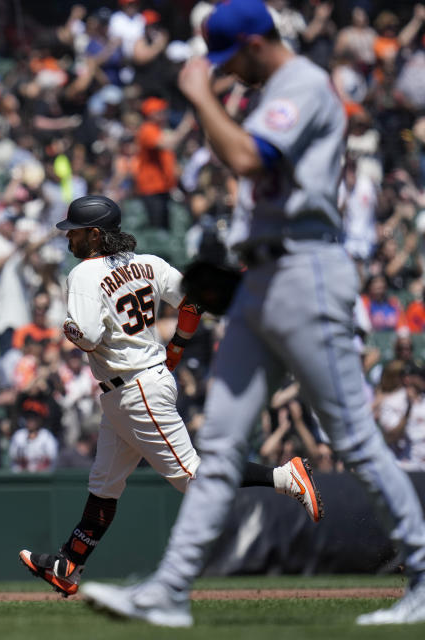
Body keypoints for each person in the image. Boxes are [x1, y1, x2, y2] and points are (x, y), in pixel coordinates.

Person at [80, 0, 425, 627]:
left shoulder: (303, 85)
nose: (223, 72)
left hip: (306, 270)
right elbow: (237, 157)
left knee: (352, 436)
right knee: (220, 445)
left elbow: (244, 158)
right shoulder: (269, 91)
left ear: (256, 43)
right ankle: (169, 591)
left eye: (227, 58)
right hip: (260, 274)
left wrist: (197, 95)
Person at [19, 195, 323, 599]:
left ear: (94, 234)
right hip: (134, 386)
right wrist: (177, 346)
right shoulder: (148, 263)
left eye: (74, 231)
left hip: (135, 387)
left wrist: (68, 329)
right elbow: (195, 299)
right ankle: (68, 565)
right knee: (104, 485)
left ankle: (286, 477)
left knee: (193, 479)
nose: (68, 238)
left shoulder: (83, 276)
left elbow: (89, 337)